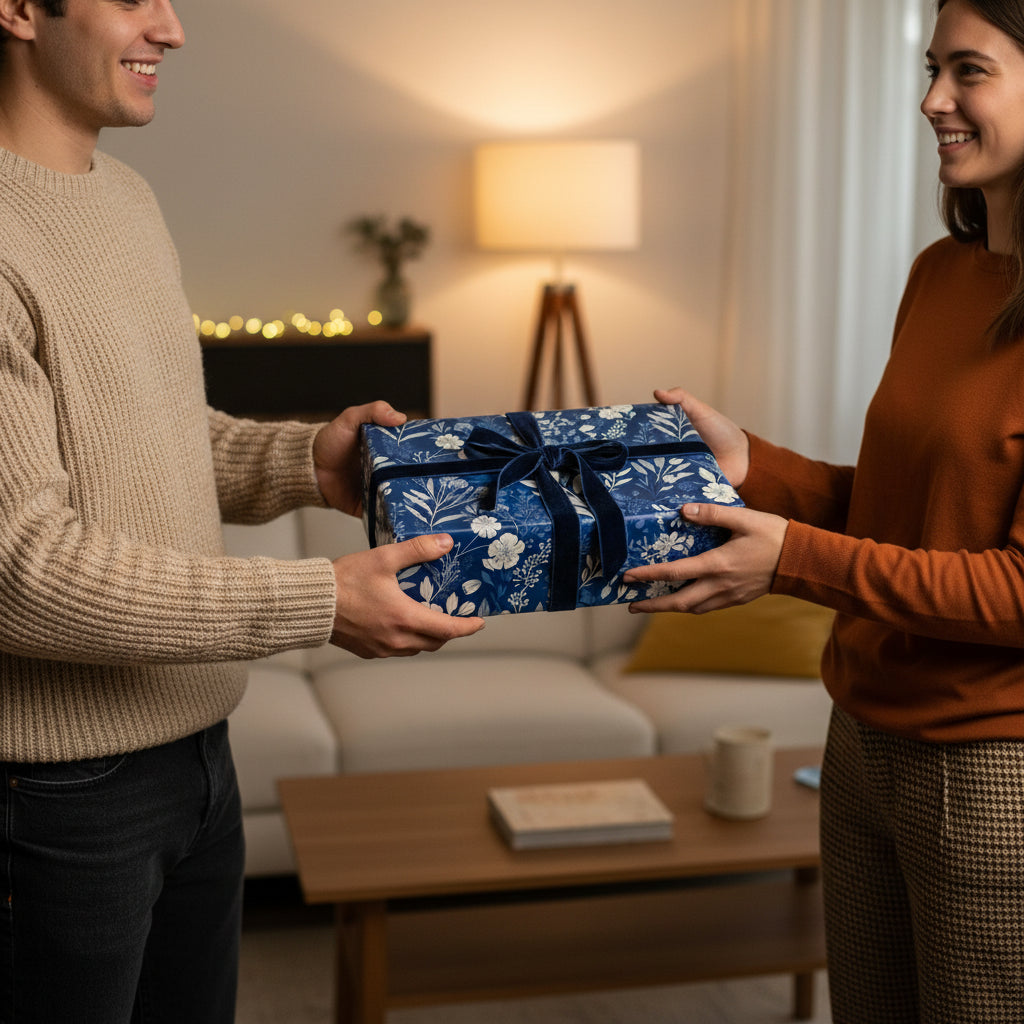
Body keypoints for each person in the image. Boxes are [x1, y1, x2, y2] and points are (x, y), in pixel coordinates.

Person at [0, 1, 484, 1021]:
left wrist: (311, 457)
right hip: (54, 801)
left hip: (199, 762)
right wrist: (317, 601)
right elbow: (22, 569)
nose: (170, 30)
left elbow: (161, 434)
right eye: (135, 0)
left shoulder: (125, 198)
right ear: (18, 10)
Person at [624, 1, 1024, 1020]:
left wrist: (790, 557)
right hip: (857, 740)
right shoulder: (943, 274)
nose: (932, 100)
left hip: (988, 775)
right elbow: (913, 512)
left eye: (966, 71)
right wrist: (751, 463)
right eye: (930, 69)